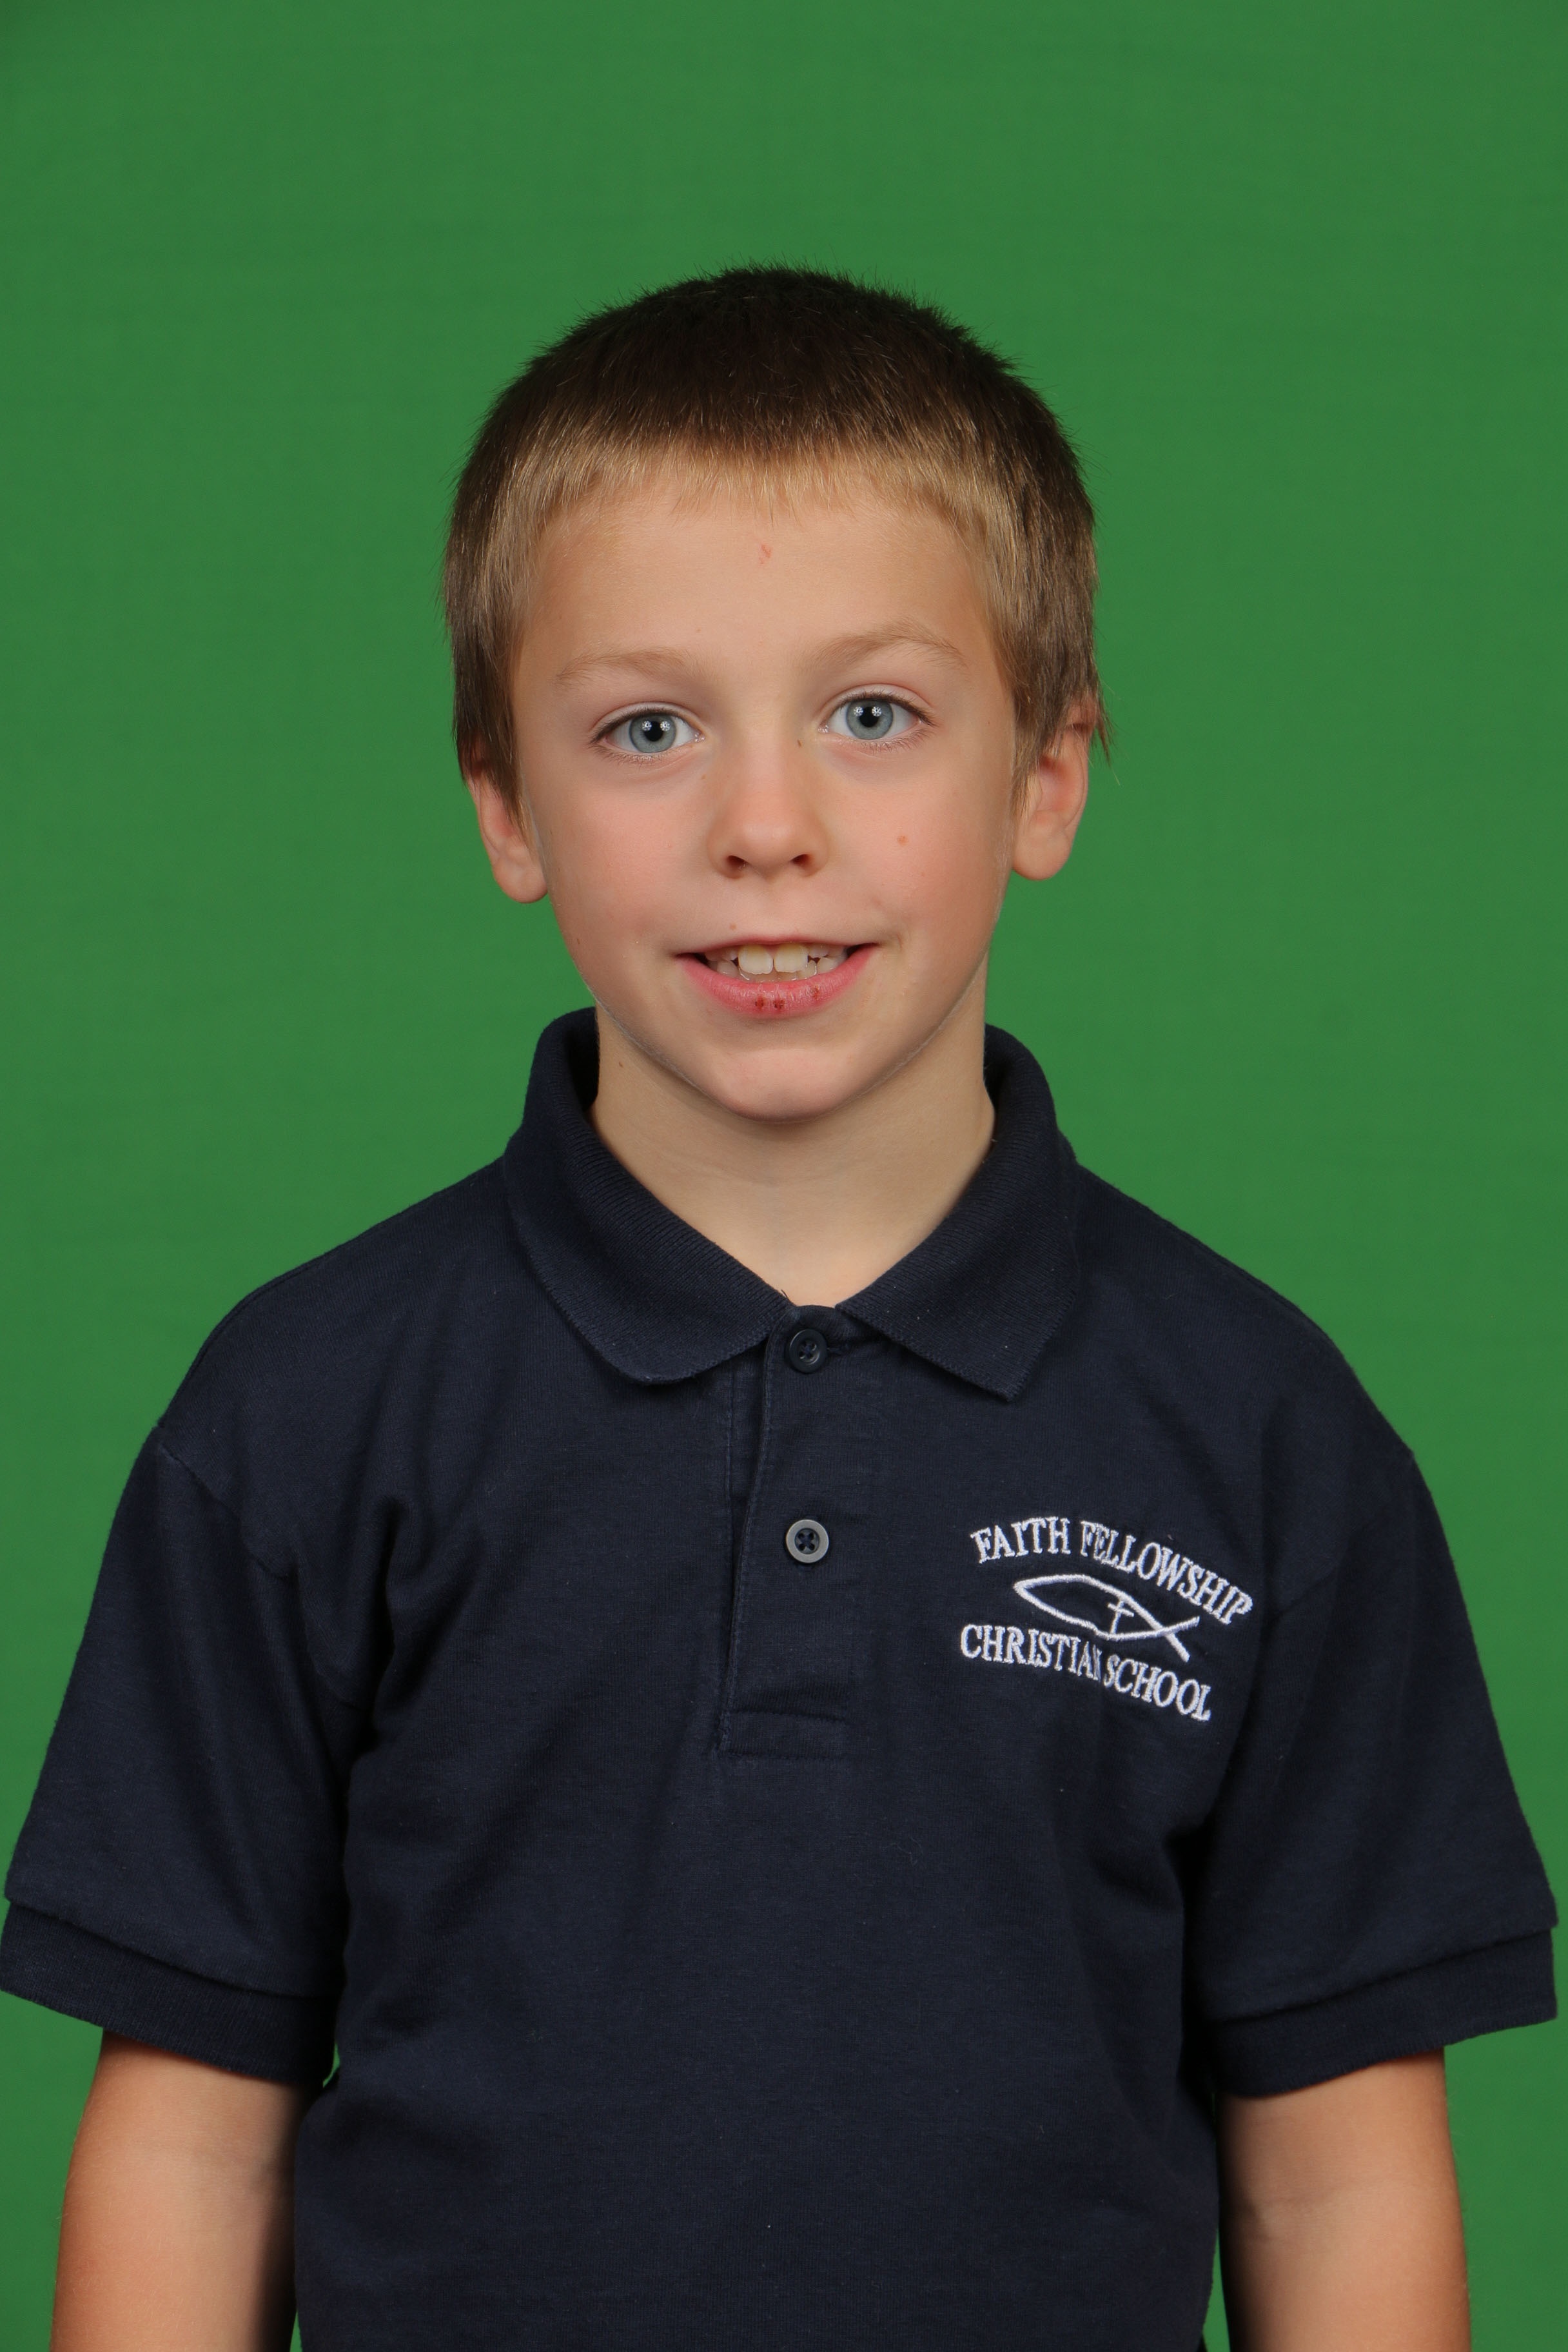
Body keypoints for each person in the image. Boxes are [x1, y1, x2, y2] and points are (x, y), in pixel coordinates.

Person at [1, 268, 1554, 2352]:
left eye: (875, 715)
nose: (764, 830)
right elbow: (201, 2142)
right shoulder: (306, 1411)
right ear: (503, 801)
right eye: (647, 729)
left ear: (1049, 776)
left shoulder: (1265, 1436)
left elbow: (1336, 2175)